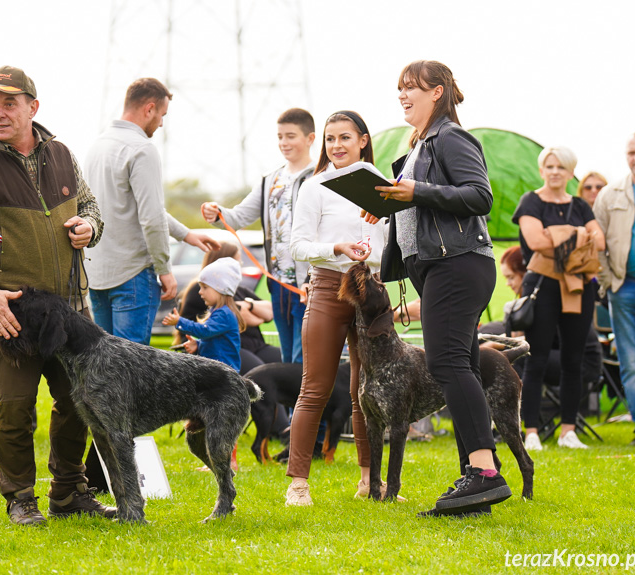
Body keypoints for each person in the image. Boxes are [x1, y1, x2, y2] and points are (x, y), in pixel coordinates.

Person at [0, 66, 114, 525]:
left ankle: (69, 493)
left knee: (79, 400)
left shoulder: (62, 153)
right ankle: (20, 498)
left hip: (72, 311)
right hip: (12, 313)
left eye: (8, 104)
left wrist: (88, 227)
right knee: (16, 409)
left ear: (32, 108)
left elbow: (91, 206)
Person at [364, 61, 507, 517]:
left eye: (412, 88)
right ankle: (475, 481)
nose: (403, 95)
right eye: (399, 89)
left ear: (439, 93)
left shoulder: (450, 137)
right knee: (459, 364)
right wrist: (386, 205)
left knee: (445, 365)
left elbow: (479, 196)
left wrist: (415, 192)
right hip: (444, 269)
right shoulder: (420, 144)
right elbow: (423, 204)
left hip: (459, 265)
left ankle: (484, 473)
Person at [285, 110, 386, 506]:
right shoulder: (315, 187)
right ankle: (298, 484)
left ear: (363, 140)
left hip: (372, 293)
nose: (337, 146)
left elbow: (392, 244)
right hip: (328, 287)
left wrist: (372, 255)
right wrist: (336, 249)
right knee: (315, 387)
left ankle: (369, 480)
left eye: (345, 137)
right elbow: (298, 245)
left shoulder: (384, 187)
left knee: (367, 390)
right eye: (330, 139)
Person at [84, 78, 220, 346]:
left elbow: (140, 208)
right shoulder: (141, 149)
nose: (160, 123)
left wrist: (186, 235)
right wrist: (164, 269)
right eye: (162, 115)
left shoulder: (97, 146)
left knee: (104, 367)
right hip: (132, 275)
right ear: (149, 109)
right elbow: (151, 217)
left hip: (97, 276)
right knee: (132, 371)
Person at [201, 108, 317, 364]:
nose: (284, 143)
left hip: (310, 284)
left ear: (310, 138)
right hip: (278, 283)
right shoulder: (270, 180)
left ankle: (306, 406)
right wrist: (217, 213)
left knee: (302, 359)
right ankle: (291, 407)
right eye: (279, 137)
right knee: (287, 357)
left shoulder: (321, 176)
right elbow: (238, 217)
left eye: (291, 136)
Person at [512, 147, 605, 452]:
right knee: (535, 358)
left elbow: (599, 241)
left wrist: (557, 235)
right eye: (549, 166)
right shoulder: (531, 201)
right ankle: (532, 431)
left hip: (579, 286)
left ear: (570, 172)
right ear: (541, 170)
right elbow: (535, 241)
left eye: (561, 167)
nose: (554, 172)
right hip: (543, 285)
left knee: (573, 359)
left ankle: (568, 430)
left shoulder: (580, 204)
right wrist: (578, 237)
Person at [594, 131, 635, 445]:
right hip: (624, 287)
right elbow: (596, 242)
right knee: (630, 360)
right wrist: (608, 282)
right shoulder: (610, 193)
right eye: (632, 153)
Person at [176, 243, 280, 373]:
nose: (240, 263)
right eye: (237, 259)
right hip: (222, 348)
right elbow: (245, 318)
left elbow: (270, 313)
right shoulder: (207, 291)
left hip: (255, 345)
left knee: (284, 363)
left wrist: (248, 305)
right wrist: (256, 313)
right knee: (262, 372)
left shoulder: (237, 290)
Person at [163, 257, 246, 372]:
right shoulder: (218, 312)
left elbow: (205, 331)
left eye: (205, 287)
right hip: (216, 370)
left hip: (224, 373)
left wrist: (180, 322)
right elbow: (214, 340)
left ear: (221, 289)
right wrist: (198, 344)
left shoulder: (224, 314)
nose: (200, 292)